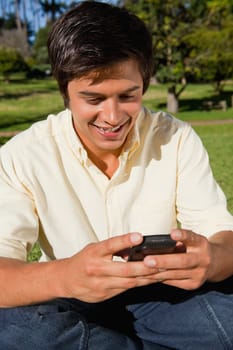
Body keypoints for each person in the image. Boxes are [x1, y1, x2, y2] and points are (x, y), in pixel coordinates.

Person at [0, 1, 233, 349]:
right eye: (92, 98)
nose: (112, 117)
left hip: (163, 296)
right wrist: (69, 276)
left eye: (128, 96)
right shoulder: (23, 154)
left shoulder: (176, 137)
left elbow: (223, 237)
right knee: (12, 327)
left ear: (145, 83)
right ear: (65, 90)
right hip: (70, 298)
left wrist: (213, 259)